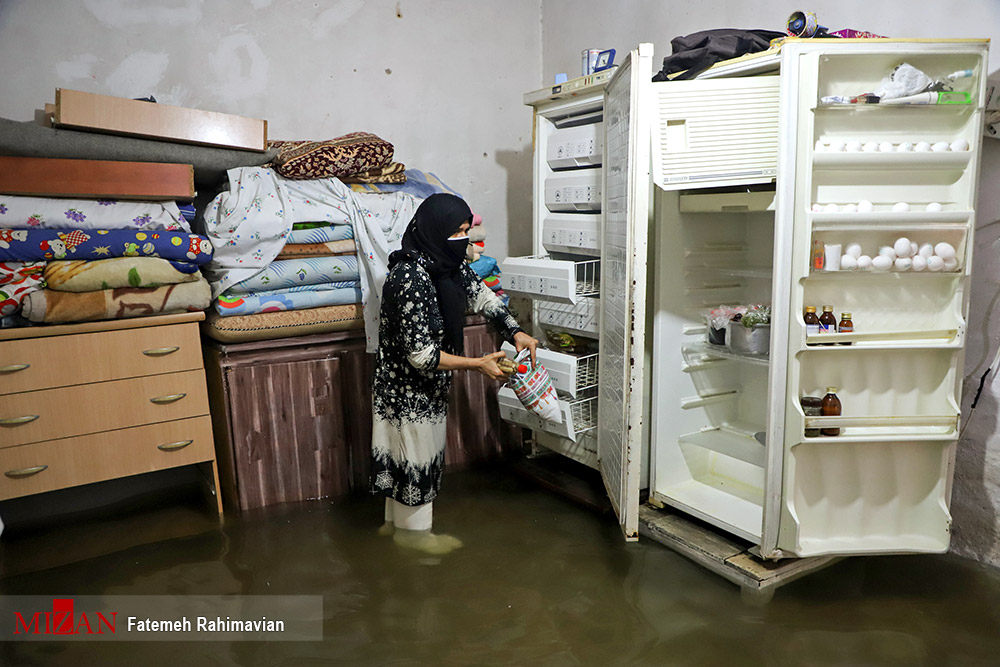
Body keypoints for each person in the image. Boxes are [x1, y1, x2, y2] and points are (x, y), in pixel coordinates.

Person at [370, 193, 537, 555]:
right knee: (415, 458)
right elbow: (420, 355)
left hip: (427, 387)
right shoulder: (408, 277)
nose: (464, 239)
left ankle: (393, 527)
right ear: (435, 229)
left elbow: (484, 297)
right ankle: (414, 539)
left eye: (466, 230)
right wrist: (478, 364)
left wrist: (516, 332)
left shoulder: (447, 265)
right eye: (457, 231)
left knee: (406, 456)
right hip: (405, 390)